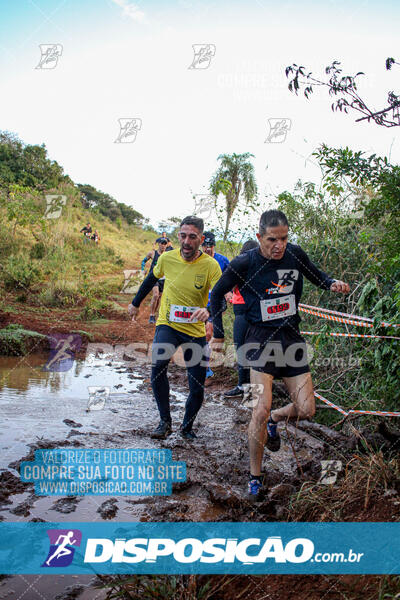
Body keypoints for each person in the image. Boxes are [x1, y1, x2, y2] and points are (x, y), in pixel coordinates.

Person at [210, 209, 350, 499]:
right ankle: (255, 477)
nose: (279, 245)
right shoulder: (244, 262)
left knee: (307, 409)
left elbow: (317, 275)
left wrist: (331, 283)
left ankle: (276, 419)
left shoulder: (294, 254)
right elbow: (216, 293)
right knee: (258, 411)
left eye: (284, 238)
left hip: (290, 338)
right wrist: (216, 328)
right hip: (260, 339)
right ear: (259, 236)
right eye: (273, 239)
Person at [128, 216, 222, 440]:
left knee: (197, 386)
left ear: (200, 238)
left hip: (194, 331)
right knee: (158, 365)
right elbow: (151, 278)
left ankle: (187, 427)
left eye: (192, 237)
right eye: (183, 236)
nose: (187, 241)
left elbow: (221, 297)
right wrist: (135, 302)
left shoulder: (211, 265)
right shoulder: (167, 258)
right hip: (167, 324)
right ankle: (165, 422)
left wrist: (209, 310)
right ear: (177, 236)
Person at [224, 239, 259, 399]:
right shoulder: (261, 267)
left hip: (243, 311)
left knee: (242, 348)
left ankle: (244, 387)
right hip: (256, 312)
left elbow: (228, 284)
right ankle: (250, 387)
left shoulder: (241, 267)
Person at [201, 232, 231, 380]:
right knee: (199, 334)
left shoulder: (223, 260)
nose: (207, 248)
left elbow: (233, 278)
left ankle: (205, 366)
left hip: (216, 303)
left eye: (210, 245)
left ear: (214, 245)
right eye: (205, 246)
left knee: (209, 333)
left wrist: (229, 292)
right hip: (198, 303)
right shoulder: (196, 261)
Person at [147, 238, 173, 324]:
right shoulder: (152, 253)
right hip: (154, 277)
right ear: (158, 244)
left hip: (163, 279)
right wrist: (142, 269)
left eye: (165, 244)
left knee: (159, 298)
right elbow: (143, 261)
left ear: (167, 245)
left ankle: (154, 314)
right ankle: (151, 315)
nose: (163, 245)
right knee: (155, 295)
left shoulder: (167, 255)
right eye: (162, 243)